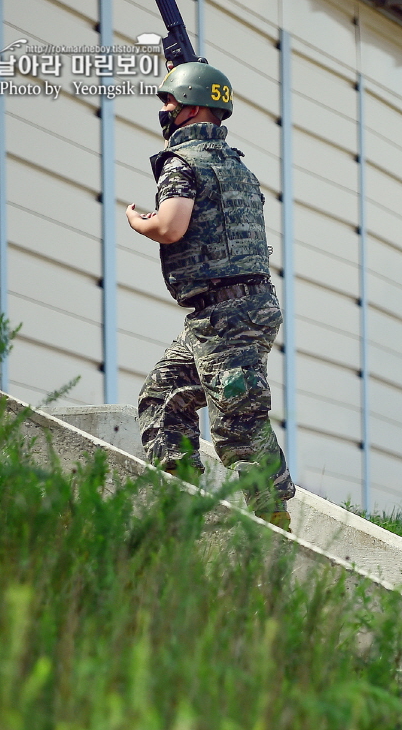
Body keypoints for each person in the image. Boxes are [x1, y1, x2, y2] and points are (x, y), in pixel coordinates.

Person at [127, 62, 294, 530]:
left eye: (170, 100)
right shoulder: (237, 166)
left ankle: (274, 528)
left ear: (192, 106)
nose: (164, 109)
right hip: (228, 312)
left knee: (239, 422)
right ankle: (180, 505)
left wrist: (138, 220)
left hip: (225, 315)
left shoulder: (183, 163)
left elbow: (171, 225)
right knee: (164, 398)